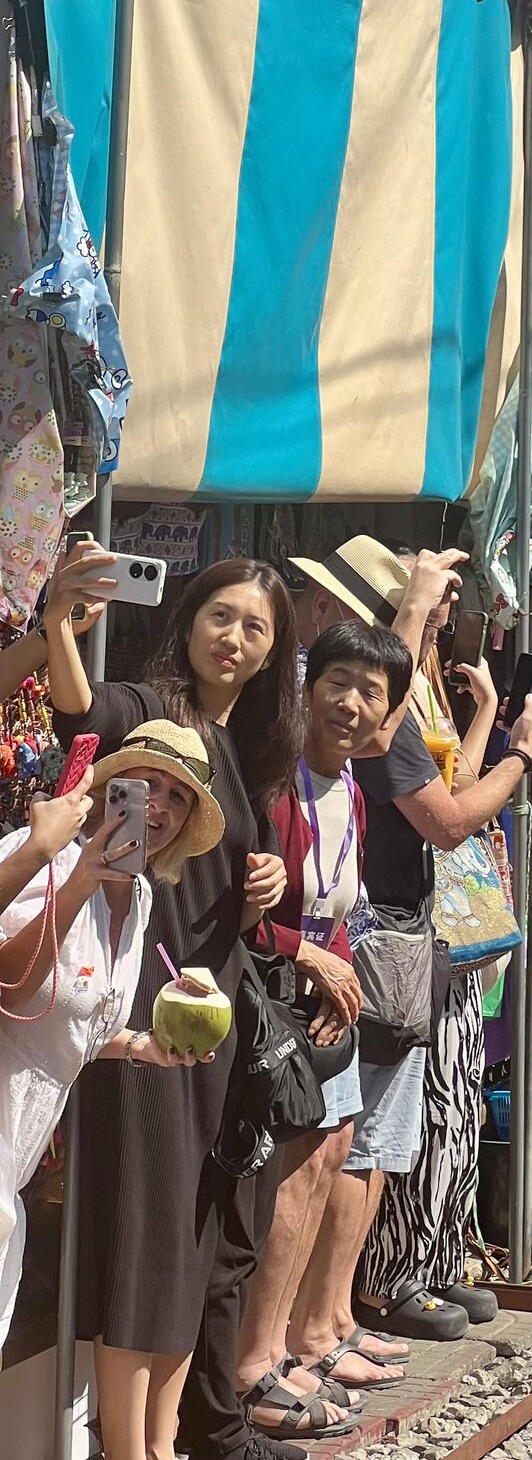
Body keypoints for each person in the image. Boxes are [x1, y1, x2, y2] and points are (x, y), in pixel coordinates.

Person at [45, 543, 300, 1460]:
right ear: (188, 620)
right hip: (147, 1018)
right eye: (221, 616)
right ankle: (127, 1448)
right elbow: (81, 706)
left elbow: (233, 886)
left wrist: (265, 878)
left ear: (274, 652)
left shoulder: (248, 748)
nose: (234, 637)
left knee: (190, 1242)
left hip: (213, 1018)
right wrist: (56, 622)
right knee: (147, 1236)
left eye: (255, 627)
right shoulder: (155, 711)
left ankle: (160, 1444)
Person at [284, 538, 532, 1367]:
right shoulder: (330, 702)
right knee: (344, 1146)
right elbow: (450, 815)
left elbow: (446, 777)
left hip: (388, 932)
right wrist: (521, 756)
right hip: (357, 936)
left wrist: (485, 718)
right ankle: (329, 1319)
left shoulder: (399, 692)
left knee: (380, 1138)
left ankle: (334, 1320)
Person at [235, 618, 412, 1444]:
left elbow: (338, 907)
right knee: (295, 1175)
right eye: (336, 682)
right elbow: (237, 919)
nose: (349, 703)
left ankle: (288, 1346)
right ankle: (254, 1361)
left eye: (371, 693)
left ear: (389, 716)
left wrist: (335, 975)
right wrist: (310, 957)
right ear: (305, 688)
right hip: (275, 999)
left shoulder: (353, 793)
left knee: (331, 1158)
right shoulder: (279, 786)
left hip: (319, 1006)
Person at [0, 724, 225, 1352]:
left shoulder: (144, 898)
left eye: (178, 797)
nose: (158, 806)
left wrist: (142, 1047)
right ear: (108, 793)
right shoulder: (47, 856)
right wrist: (80, 885)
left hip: (17, 1153)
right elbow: (12, 986)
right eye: (145, 784)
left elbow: (73, 1025)